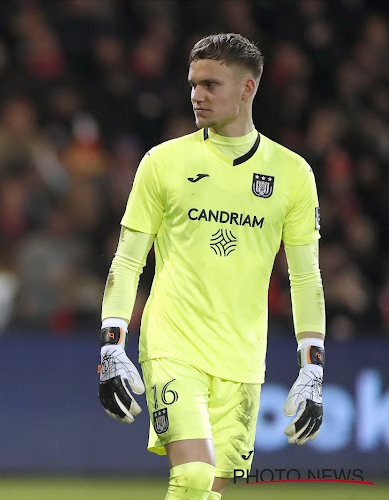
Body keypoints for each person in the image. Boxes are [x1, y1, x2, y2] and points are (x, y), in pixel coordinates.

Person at [98, 33, 325, 499]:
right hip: (172, 344)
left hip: (242, 357)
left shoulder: (293, 174)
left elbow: (305, 277)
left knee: (211, 491)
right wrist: (111, 346)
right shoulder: (163, 163)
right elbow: (127, 258)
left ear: (248, 89)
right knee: (194, 476)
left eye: (211, 85)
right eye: (193, 84)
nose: (197, 96)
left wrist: (313, 369)